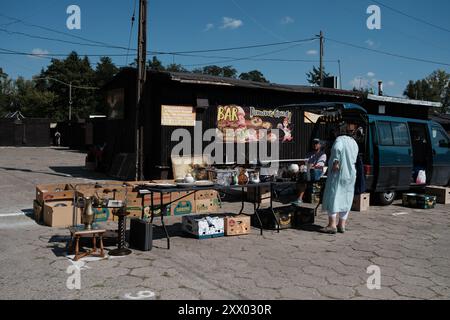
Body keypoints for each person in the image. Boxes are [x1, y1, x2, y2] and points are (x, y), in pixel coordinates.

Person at [320, 124, 359, 234]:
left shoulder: (340, 139)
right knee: (346, 198)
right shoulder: (354, 142)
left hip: (339, 173)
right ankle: (342, 225)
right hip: (351, 174)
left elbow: (337, 148)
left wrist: (336, 161)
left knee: (333, 196)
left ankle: (332, 225)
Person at [292, 138, 327, 206]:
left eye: (317, 143)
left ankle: (300, 198)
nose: (315, 145)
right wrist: (301, 166)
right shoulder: (309, 154)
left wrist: (308, 166)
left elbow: (319, 166)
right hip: (308, 171)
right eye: (314, 143)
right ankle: (300, 196)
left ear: (320, 145)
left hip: (317, 172)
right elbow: (304, 162)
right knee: (299, 173)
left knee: (304, 176)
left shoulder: (323, 155)